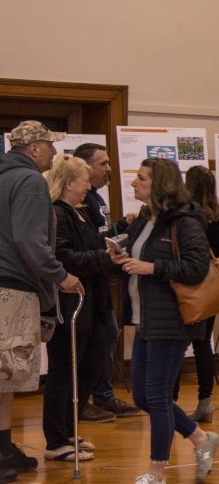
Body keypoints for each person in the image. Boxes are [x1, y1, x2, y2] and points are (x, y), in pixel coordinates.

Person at [111, 158, 219, 484]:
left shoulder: (185, 221)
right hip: (146, 317)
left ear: (159, 184)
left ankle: (157, 471)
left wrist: (152, 268)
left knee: (156, 395)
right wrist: (121, 259)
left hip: (171, 320)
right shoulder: (145, 220)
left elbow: (197, 266)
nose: (133, 182)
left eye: (141, 178)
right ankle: (201, 438)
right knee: (144, 397)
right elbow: (138, 260)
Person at [0, 121, 84, 480]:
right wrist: (59, 275)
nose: (54, 152)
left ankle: (4, 447)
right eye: (50, 145)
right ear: (33, 148)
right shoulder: (31, 182)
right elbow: (31, 241)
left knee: (6, 375)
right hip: (14, 288)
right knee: (8, 371)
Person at [42, 156, 114, 462]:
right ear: (69, 183)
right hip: (71, 306)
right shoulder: (58, 213)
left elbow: (88, 251)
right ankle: (56, 439)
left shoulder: (80, 213)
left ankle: (69, 428)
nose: (89, 186)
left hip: (92, 304)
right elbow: (65, 258)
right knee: (64, 370)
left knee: (90, 364)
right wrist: (105, 258)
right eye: (84, 181)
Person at [72, 142, 141, 421]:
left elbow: (104, 234)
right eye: (103, 163)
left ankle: (102, 396)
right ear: (85, 166)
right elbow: (86, 242)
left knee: (107, 337)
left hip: (101, 280)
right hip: (84, 282)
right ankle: (86, 399)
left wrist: (122, 226)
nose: (110, 169)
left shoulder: (97, 199)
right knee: (93, 342)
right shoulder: (78, 201)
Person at [178, 166, 219, 423]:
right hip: (209, 289)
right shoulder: (215, 215)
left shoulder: (184, 213)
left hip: (185, 285)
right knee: (203, 344)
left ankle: (171, 398)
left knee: (176, 343)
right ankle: (205, 399)